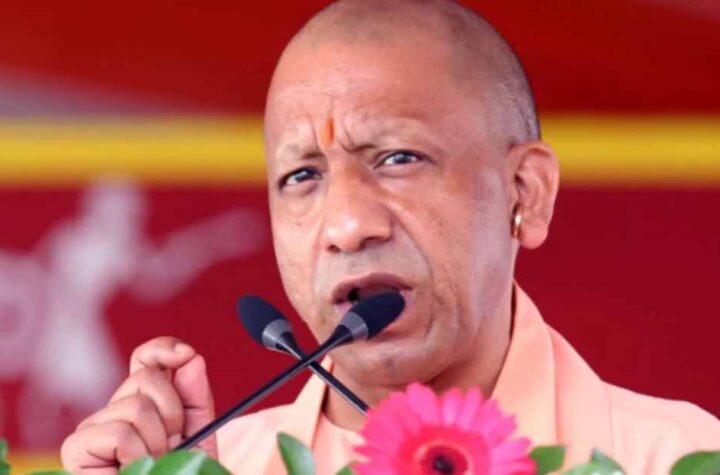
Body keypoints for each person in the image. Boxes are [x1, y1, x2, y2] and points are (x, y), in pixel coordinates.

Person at [60, 0, 720, 473]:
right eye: (301, 176)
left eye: (398, 158)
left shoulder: (678, 457)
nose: (348, 227)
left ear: (526, 192)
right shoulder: (219, 466)